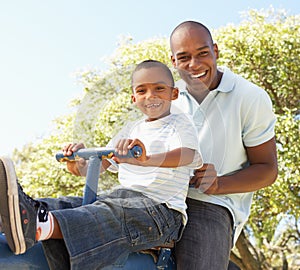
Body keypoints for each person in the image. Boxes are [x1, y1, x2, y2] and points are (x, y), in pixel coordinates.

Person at [0, 60, 202, 269]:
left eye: (159, 88)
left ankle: (41, 225)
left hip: (160, 211)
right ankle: (15, 215)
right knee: (69, 205)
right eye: (142, 91)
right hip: (120, 198)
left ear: (174, 94)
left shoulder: (179, 122)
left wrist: (147, 159)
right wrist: (77, 162)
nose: (150, 95)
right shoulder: (130, 131)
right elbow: (96, 166)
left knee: (110, 212)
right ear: (134, 98)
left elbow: (188, 155)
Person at [169, 21, 278, 270]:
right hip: (162, 199)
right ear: (173, 61)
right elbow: (132, 150)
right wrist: (85, 163)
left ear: (215, 51)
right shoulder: (166, 98)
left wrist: (219, 184)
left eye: (203, 53)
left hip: (211, 205)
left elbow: (267, 169)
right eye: (184, 57)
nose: (194, 65)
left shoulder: (249, 97)